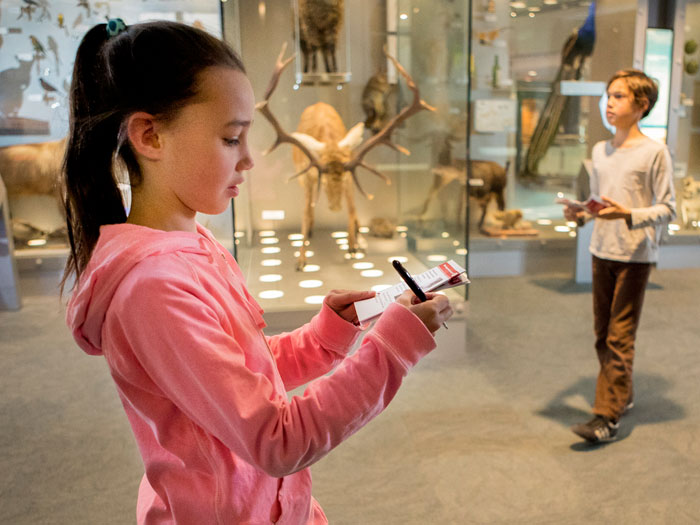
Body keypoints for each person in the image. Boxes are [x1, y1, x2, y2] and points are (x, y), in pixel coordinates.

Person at [62, 20, 453, 524]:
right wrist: (395, 346)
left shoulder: (194, 247)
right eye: (231, 139)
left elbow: (240, 372)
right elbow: (276, 439)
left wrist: (325, 336)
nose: (248, 159)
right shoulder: (153, 289)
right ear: (150, 134)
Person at [565, 69, 676, 444]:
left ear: (641, 105)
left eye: (619, 97)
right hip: (601, 250)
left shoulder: (655, 151)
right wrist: (580, 213)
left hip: (635, 255)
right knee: (602, 334)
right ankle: (621, 394)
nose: (609, 104)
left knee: (619, 336)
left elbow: (668, 209)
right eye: (608, 96)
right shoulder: (601, 150)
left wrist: (628, 214)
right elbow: (598, 204)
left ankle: (606, 418)